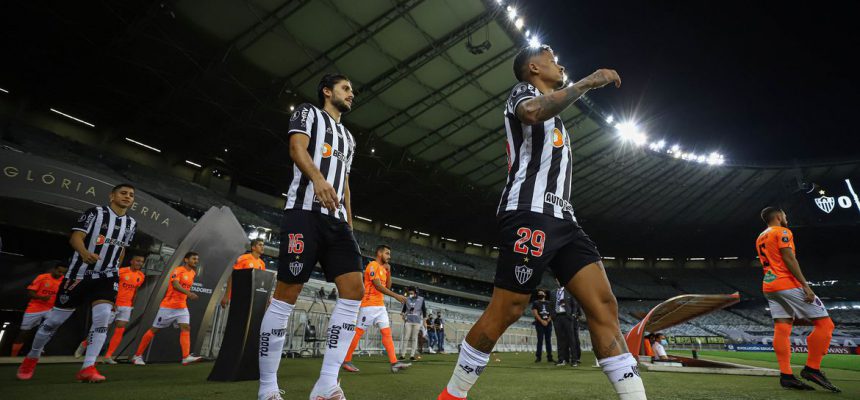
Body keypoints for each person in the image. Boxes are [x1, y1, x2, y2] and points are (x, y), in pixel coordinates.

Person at [437, 45, 645, 400]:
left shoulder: (559, 118)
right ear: (533, 67)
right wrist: (587, 83)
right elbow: (531, 113)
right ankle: (452, 395)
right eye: (552, 59)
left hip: (565, 219)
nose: (559, 63)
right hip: (528, 212)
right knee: (509, 308)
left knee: (604, 305)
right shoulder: (523, 93)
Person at [257, 73, 362, 400]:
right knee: (287, 292)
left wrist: (349, 220)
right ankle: (267, 388)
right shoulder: (307, 113)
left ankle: (327, 384)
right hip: (303, 213)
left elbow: (343, 181)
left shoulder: (349, 138)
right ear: (327, 91)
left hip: (337, 222)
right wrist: (316, 179)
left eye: (352, 91)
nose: (351, 94)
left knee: (354, 290)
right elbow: (296, 148)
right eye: (346, 88)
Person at [17, 183, 138, 383]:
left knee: (103, 317)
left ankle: (88, 367)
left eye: (131, 195)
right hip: (79, 275)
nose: (127, 197)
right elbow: (76, 237)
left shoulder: (131, 223)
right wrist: (84, 253)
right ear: (112, 196)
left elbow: (122, 248)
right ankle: (32, 357)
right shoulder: (95, 213)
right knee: (53, 322)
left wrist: (115, 267)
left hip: (107, 277)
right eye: (123, 193)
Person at [756, 207, 840, 392]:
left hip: (769, 285)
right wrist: (805, 285)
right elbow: (789, 258)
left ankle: (786, 376)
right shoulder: (783, 231)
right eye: (785, 215)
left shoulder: (761, 236)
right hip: (787, 283)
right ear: (778, 216)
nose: (786, 217)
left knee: (782, 326)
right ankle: (812, 368)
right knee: (826, 325)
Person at [341, 245, 411, 373]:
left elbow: (387, 286)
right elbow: (378, 286)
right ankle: (346, 360)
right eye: (387, 253)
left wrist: (389, 272)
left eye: (389, 254)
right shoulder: (372, 265)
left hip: (380, 306)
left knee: (386, 333)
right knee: (358, 333)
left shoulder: (383, 269)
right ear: (379, 253)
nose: (389, 256)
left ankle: (394, 363)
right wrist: (396, 296)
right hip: (368, 305)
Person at [131, 252, 203, 366]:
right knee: (154, 329)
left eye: (197, 259)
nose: (196, 261)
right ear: (186, 260)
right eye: (194, 259)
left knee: (186, 328)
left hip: (182, 306)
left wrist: (186, 295)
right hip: (168, 306)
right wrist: (189, 293)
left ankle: (185, 357)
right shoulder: (178, 270)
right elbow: (175, 285)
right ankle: (137, 356)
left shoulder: (193, 273)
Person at [73, 254, 147, 363]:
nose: (139, 263)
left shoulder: (141, 276)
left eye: (141, 261)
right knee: (102, 328)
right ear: (131, 261)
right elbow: (112, 287)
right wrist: (112, 301)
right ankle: (85, 343)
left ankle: (108, 356)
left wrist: (132, 305)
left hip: (126, 306)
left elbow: (135, 291)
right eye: (137, 261)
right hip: (114, 304)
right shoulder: (121, 271)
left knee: (120, 328)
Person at [11, 263, 67, 357]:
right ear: (54, 269)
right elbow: (30, 293)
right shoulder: (42, 277)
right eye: (59, 271)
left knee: (50, 329)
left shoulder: (63, 281)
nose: (60, 274)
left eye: (63, 272)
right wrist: (41, 297)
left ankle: (38, 350)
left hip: (51, 309)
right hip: (35, 308)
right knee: (24, 332)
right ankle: (13, 356)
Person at [220, 239, 267, 308]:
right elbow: (232, 276)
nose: (262, 247)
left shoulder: (262, 264)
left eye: (263, 245)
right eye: (260, 245)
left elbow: (261, 283)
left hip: (252, 298)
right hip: (238, 295)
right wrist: (226, 295)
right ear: (253, 247)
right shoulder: (243, 258)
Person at [550, 282, 580, 366]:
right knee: (560, 339)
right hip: (557, 318)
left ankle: (574, 360)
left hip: (567, 317)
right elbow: (551, 305)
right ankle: (561, 360)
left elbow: (574, 304)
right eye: (557, 280)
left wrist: (573, 315)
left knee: (571, 339)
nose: (558, 282)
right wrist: (553, 316)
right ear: (556, 281)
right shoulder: (552, 292)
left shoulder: (569, 291)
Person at [401, 286, 427, 361]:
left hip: (417, 322)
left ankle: (412, 355)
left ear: (415, 293)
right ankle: (403, 355)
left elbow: (424, 311)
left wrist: (424, 322)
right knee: (406, 338)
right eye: (409, 293)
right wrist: (403, 315)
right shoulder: (407, 299)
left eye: (412, 293)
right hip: (408, 321)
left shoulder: (421, 299)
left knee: (414, 338)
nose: (410, 295)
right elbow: (404, 310)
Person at [531, 290, 553, 363]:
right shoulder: (535, 303)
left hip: (548, 323)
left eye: (541, 293)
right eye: (539, 293)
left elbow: (552, 313)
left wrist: (547, 321)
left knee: (548, 341)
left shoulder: (549, 303)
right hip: (539, 324)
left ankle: (549, 357)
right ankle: (538, 357)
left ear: (545, 294)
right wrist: (542, 321)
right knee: (540, 340)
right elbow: (535, 313)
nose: (540, 294)